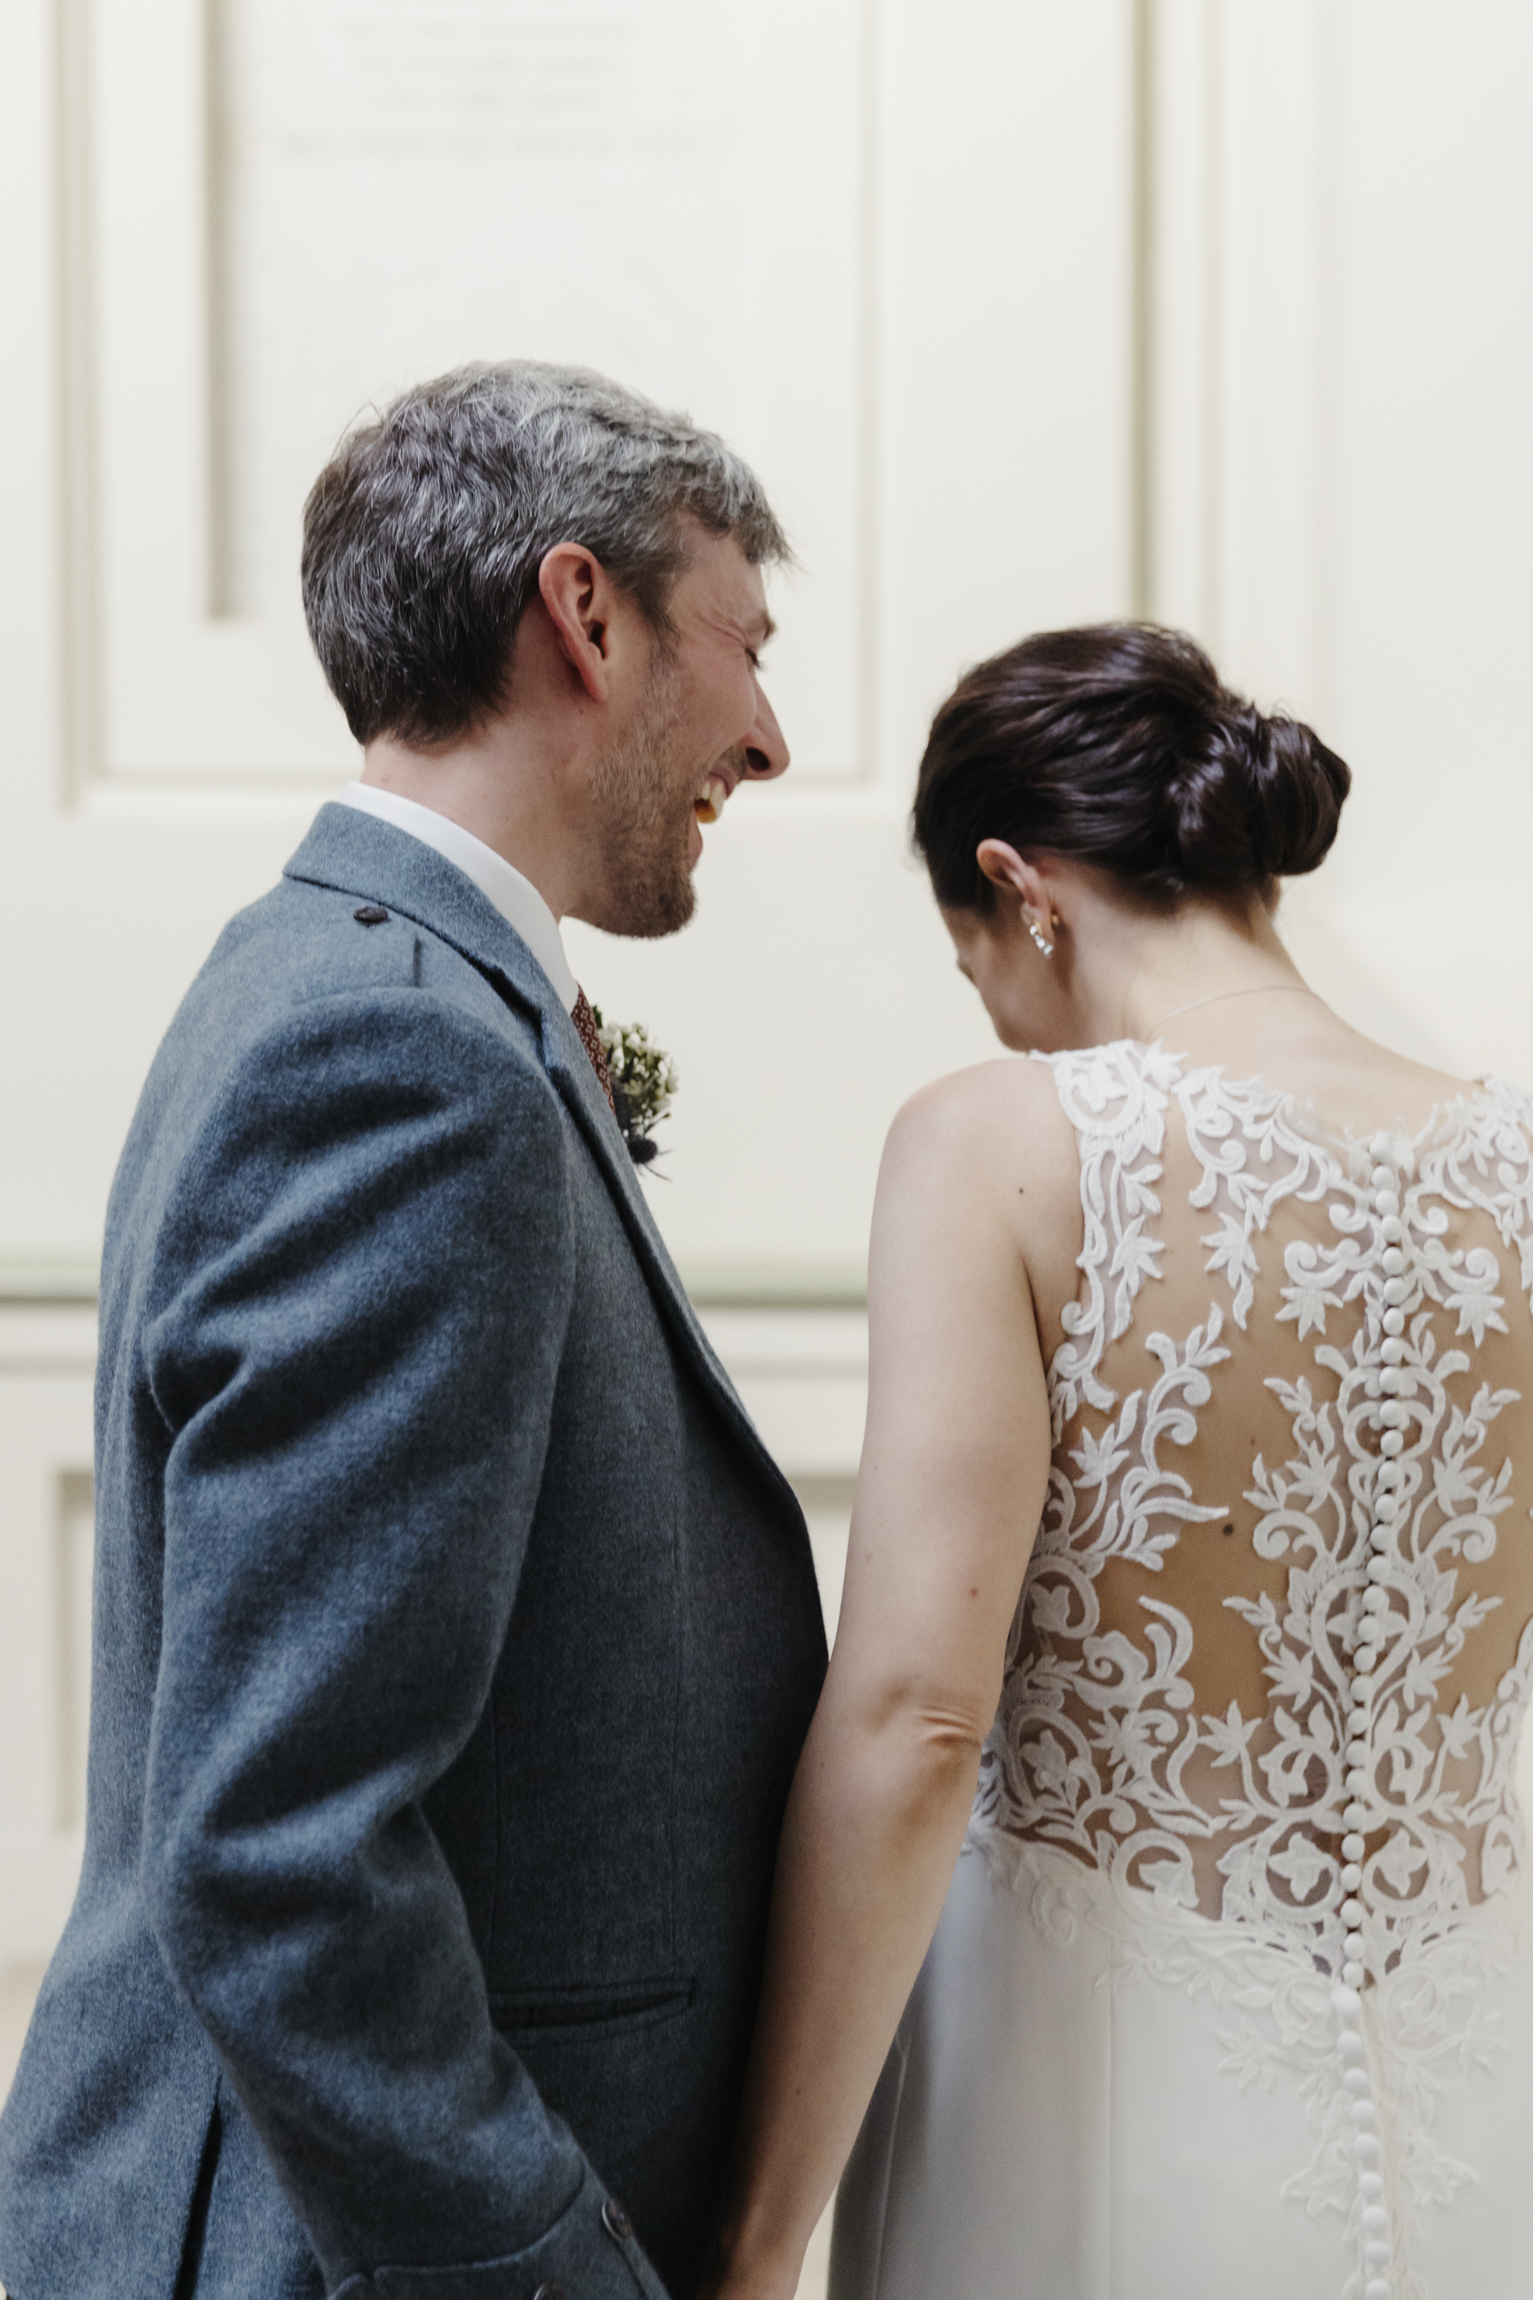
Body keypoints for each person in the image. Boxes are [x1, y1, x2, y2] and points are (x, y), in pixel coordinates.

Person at [0, 363, 827, 2300]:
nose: (769, 736)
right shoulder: (401, 1053)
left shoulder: (353, 978)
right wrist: (556, 2269)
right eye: (744, 643)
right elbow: (280, 1853)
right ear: (585, 613)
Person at [705, 622, 1533, 2300]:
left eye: (974, 967)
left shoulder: (1001, 1146)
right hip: (1475, 2103)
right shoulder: (1515, 1170)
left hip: (1072, 2106)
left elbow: (917, 1718)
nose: (1006, 1027)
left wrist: (759, 2233)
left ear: (1019, 889)